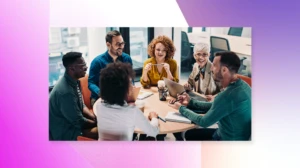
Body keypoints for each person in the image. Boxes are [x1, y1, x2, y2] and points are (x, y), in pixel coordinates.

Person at [169, 51, 251, 141]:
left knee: (189, 134)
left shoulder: (227, 96)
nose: (211, 68)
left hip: (226, 142)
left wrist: (181, 109)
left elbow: (204, 122)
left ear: (224, 70)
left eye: (214, 65)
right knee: (190, 134)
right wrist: (190, 102)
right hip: (236, 136)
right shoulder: (243, 85)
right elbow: (216, 105)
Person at [95, 62, 159, 141]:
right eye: (129, 83)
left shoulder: (99, 106)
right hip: (124, 152)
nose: (132, 86)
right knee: (150, 138)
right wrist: (154, 118)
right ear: (122, 88)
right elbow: (153, 132)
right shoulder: (132, 111)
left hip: (102, 151)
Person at [49, 52, 98, 141]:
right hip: (66, 133)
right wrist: (98, 123)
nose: (86, 68)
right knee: (106, 131)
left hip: (74, 124)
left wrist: (94, 117)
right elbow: (79, 122)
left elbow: (81, 105)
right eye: (82, 66)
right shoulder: (65, 92)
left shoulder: (74, 81)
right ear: (71, 69)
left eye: (85, 65)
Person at [88, 30, 133, 107]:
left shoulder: (127, 58)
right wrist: (101, 93)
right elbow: (91, 83)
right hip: (101, 98)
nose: (121, 47)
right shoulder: (97, 62)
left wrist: (132, 88)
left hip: (120, 97)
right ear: (108, 45)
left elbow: (130, 78)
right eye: (118, 44)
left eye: (122, 43)